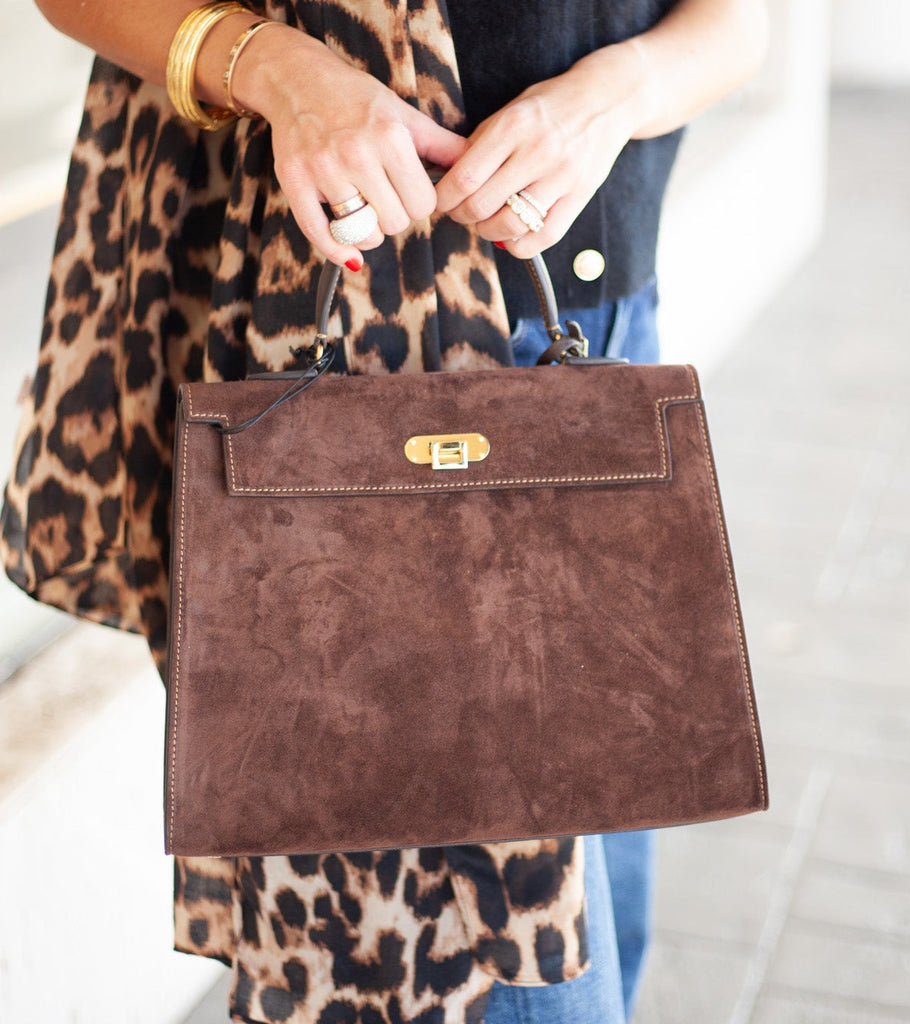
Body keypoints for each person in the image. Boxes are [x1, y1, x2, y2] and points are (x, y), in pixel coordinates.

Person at [2, 1, 767, 1021]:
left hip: (584, 326)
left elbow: (738, 21)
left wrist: (611, 97)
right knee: (482, 961)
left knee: (605, 897)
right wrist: (274, 68)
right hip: (342, 357)